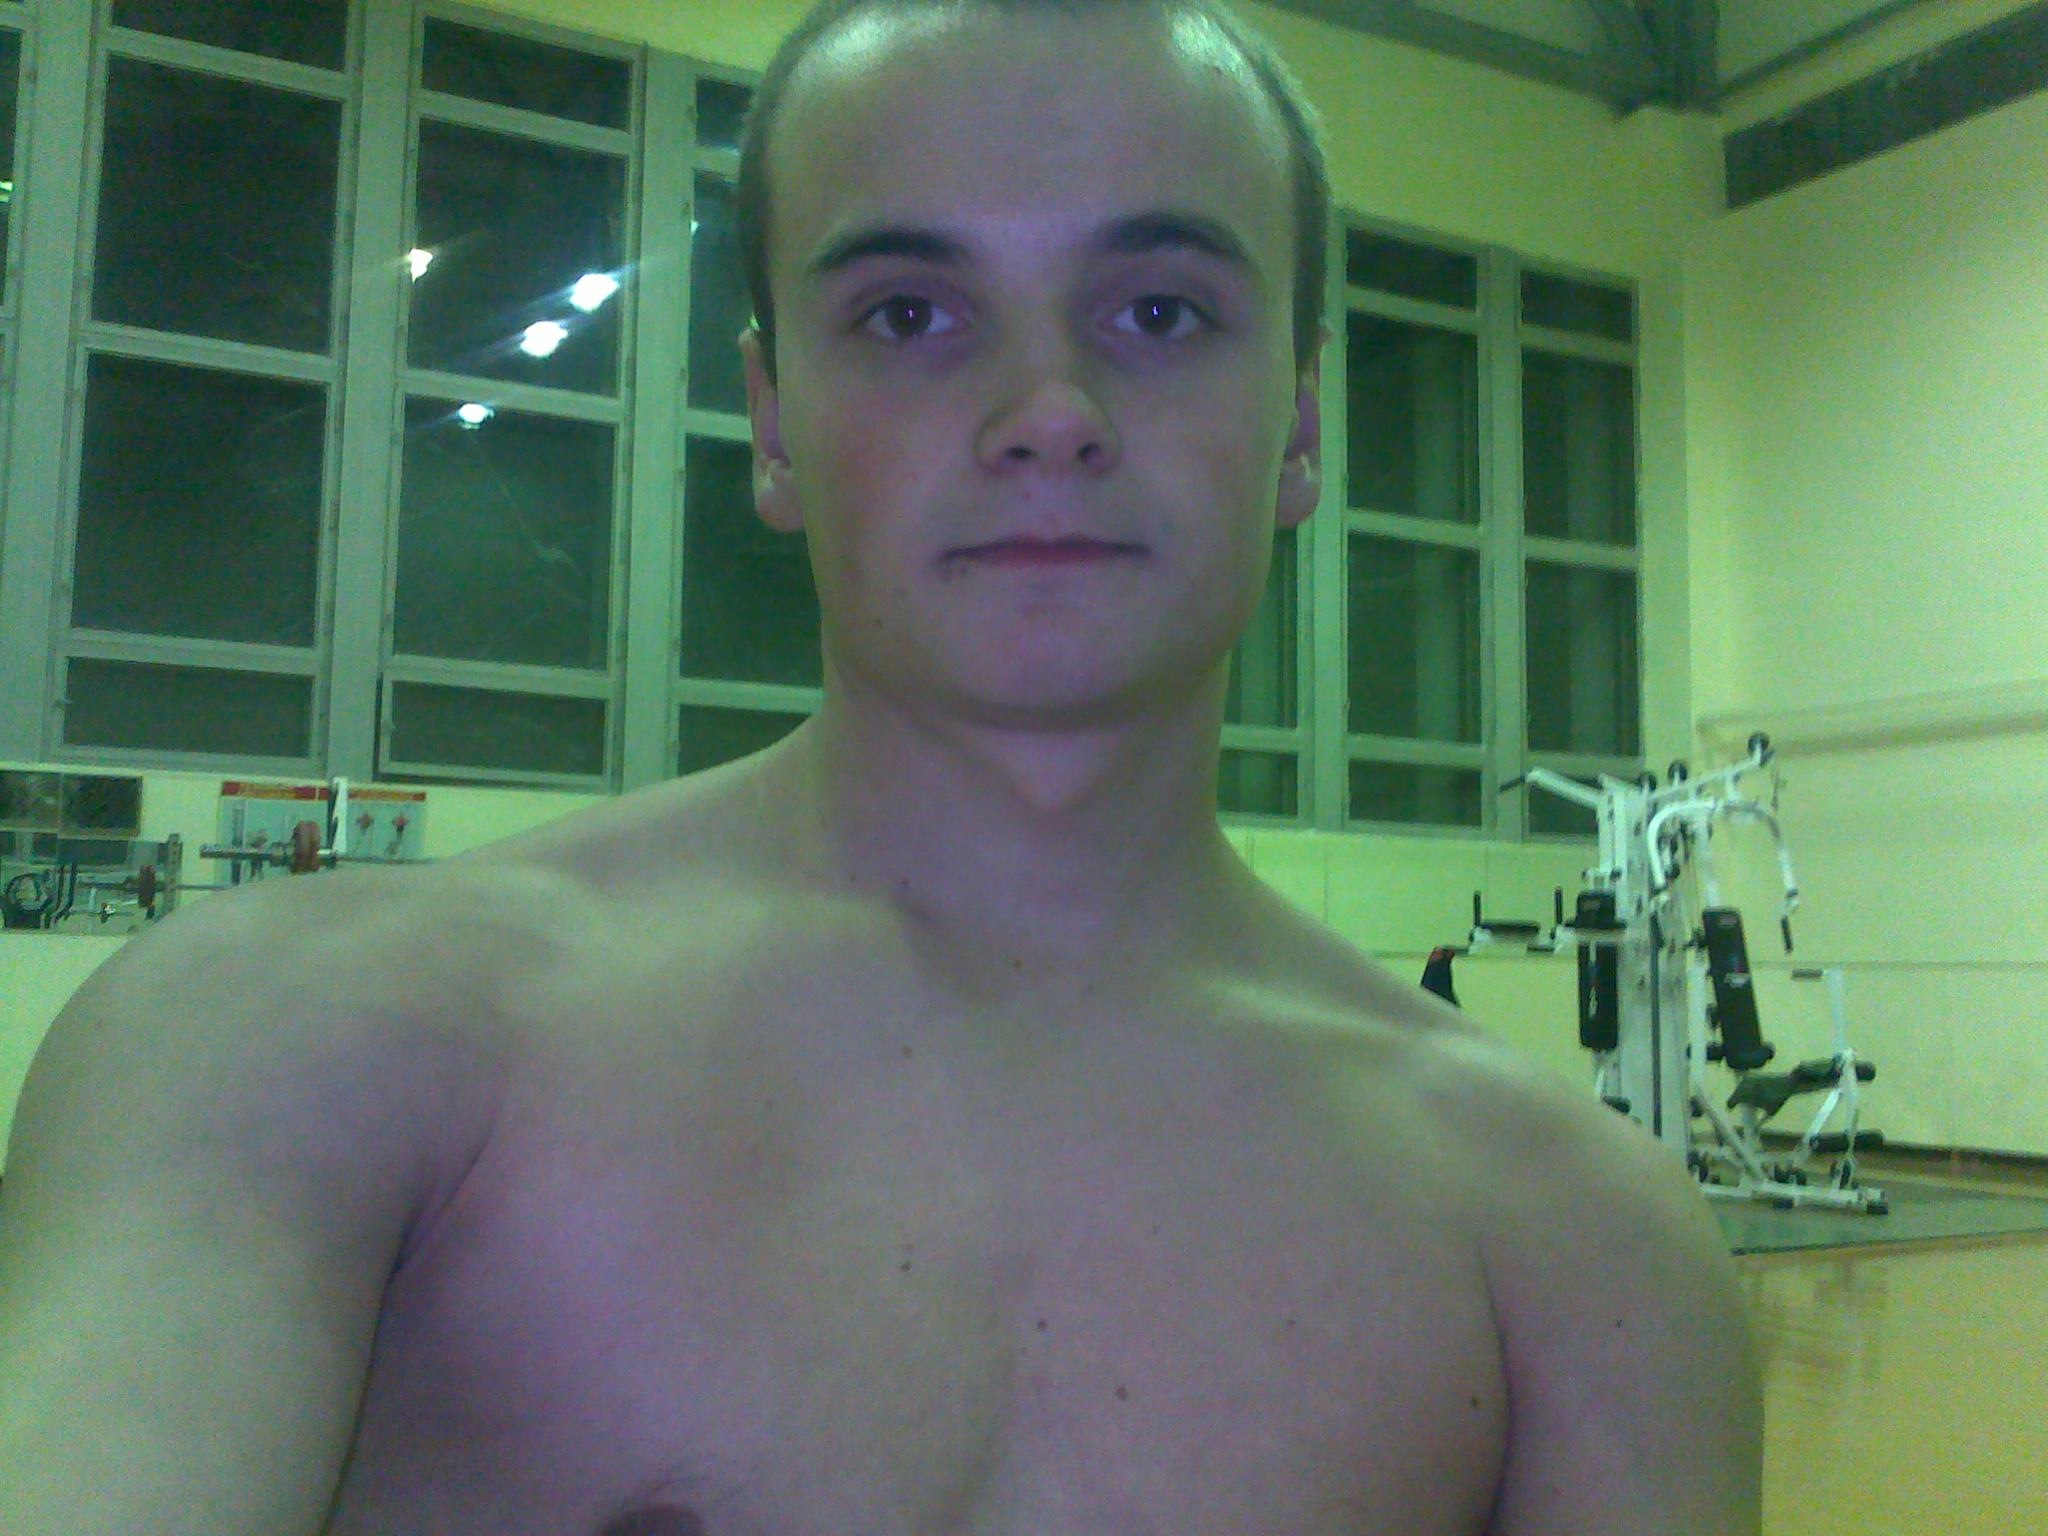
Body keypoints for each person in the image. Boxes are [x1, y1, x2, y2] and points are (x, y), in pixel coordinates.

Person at [0, 1, 1762, 1531]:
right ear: (773, 422)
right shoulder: (301, 1044)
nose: (1049, 412)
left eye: (1158, 312)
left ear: (1299, 424)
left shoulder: (1577, 1249)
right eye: (913, 315)